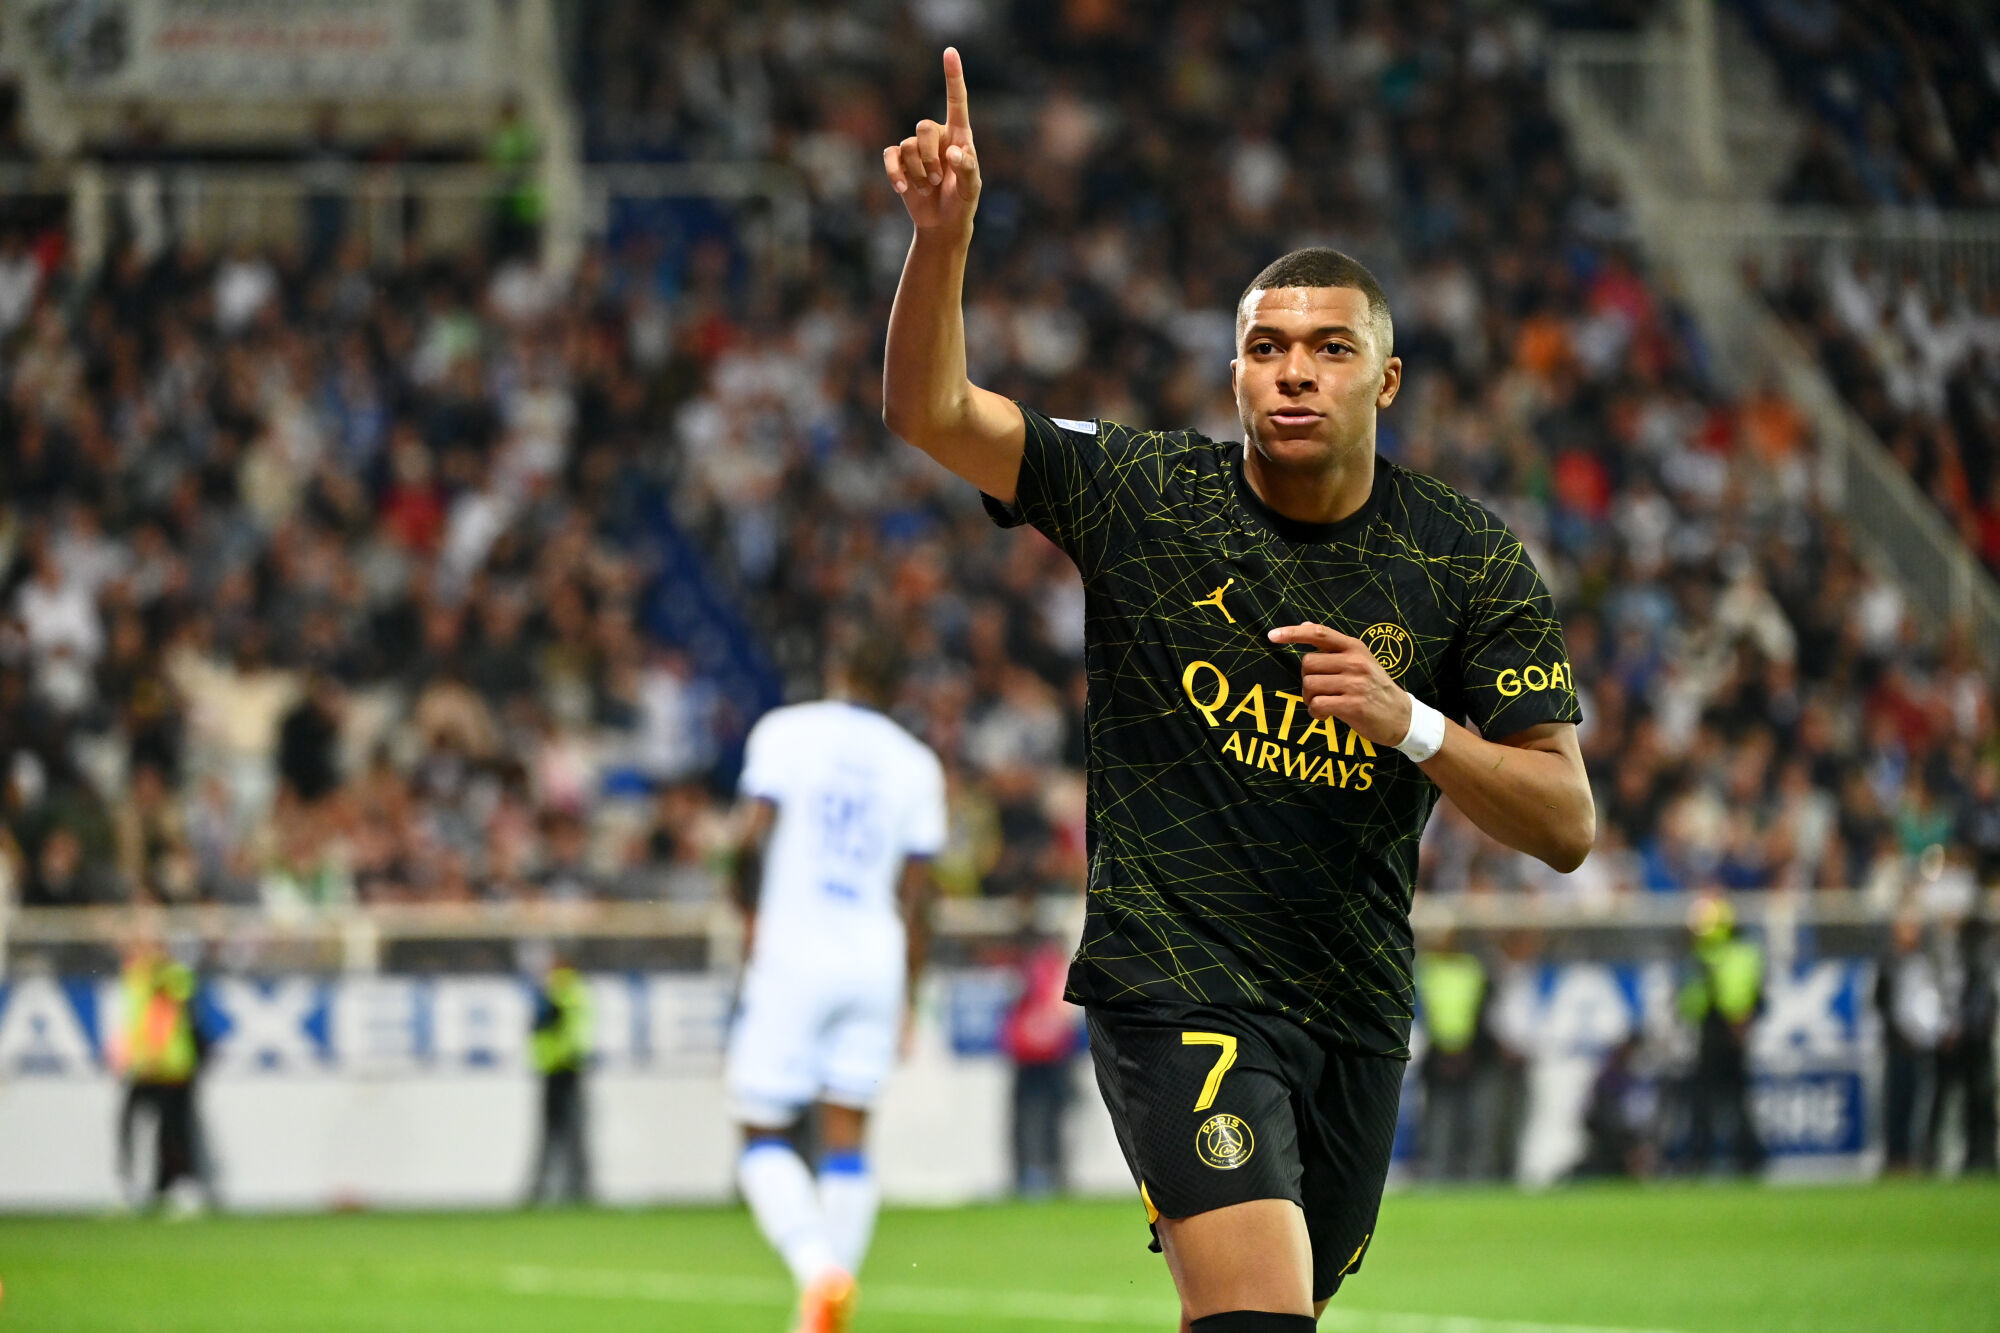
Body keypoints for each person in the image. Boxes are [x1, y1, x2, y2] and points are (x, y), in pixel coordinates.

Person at [879, 50, 1593, 1331]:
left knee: (1266, 1311)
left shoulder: (1465, 557)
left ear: (1382, 380)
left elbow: (1564, 821)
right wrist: (943, 242)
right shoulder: (1146, 495)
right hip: (1172, 981)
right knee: (1260, 1314)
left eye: (1328, 348)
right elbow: (930, 410)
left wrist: (1411, 723)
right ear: (1235, 376)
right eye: (1266, 348)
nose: (1293, 371)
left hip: (1352, 1006)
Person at [724, 638, 944, 1333]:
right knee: (847, 1136)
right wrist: (909, 995)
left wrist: (748, 915)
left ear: (836, 671)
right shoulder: (916, 763)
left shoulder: (786, 731)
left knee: (762, 1127)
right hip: (875, 959)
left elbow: (747, 838)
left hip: (796, 950)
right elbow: (919, 895)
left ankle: (819, 1270)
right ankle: (822, 1310)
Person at [111, 937, 211, 1214]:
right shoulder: (135, 976)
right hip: (143, 1065)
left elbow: (164, 1014)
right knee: (134, 1126)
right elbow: (131, 1022)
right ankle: (134, 1185)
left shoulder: (169, 974)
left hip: (169, 1066)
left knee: (172, 1131)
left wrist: (153, 1055)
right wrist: (123, 1056)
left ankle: (178, 1186)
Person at [1678, 895, 1766, 1176]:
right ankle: (1740, 1159)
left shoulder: (1716, 956)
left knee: (1719, 1099)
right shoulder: (1742, 953)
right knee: (1725, 1099)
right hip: (1719, 1032)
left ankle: (1716, 1159)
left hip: (1723, 1032)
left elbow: (1698, 1002)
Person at [1002, 924, 1085, 1196]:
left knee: (1035, 1117)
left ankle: (1035, 1172)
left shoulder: (1033, 969)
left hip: (1037, 1055)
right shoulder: (1056, 969)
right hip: (1049, 1054)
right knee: (1047, 1117)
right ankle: (1047, 1171)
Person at [1413, 929, 1490, 1182]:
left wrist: (1468, 1047)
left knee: (1474, 1117)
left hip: (1471, 1053)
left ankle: (1473, 1174)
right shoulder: (1428, 969)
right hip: (1437, 1053)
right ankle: (1437, 1171)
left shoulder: (1470, 968)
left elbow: (1481, 1010)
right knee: (1439, 1116)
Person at [1877, 912, 1944, 1173]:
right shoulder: (1889, 963)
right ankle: (1895, 1156)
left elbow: (1930, 1002)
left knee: (1918, 1102)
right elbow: (1881, 1003)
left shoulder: (1923, 962)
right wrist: (1897, 1034)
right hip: (1897, 1045)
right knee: (1896, 1102)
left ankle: (1916, 1154)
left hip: (1920, 1045)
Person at [526, 956, 593, 1205]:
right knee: (573, 1133)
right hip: (569, 1068)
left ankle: (544, 1190)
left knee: (552, 1134)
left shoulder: (557, 994)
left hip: (558, 1069)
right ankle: (576, 1189)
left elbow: (544, 1030)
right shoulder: (578, 993)